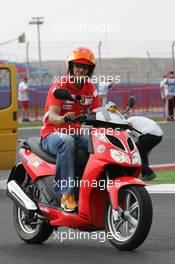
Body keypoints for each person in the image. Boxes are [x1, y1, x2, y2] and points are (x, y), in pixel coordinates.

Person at [40, 47, 101, 212]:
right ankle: (66, 194)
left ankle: (93, 189)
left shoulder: (90, 88)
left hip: (76, 133)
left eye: (85, 67)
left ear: (90, 70)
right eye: (78, 66)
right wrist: (63, 119)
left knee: (98, 142)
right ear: (71, 67)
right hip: (52, 134)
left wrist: (118, 120)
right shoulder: (60, 85)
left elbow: (98, 113)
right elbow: (51, 116)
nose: (81, 70)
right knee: (66, 140)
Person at [127, 116, 163, 181]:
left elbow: (129, 125)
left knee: (136, 152)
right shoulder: (135, 120)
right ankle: (145, 172)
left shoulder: (128, 121)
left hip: (149, 134)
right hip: (158, 135)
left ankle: (147, 173)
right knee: (141, 152)